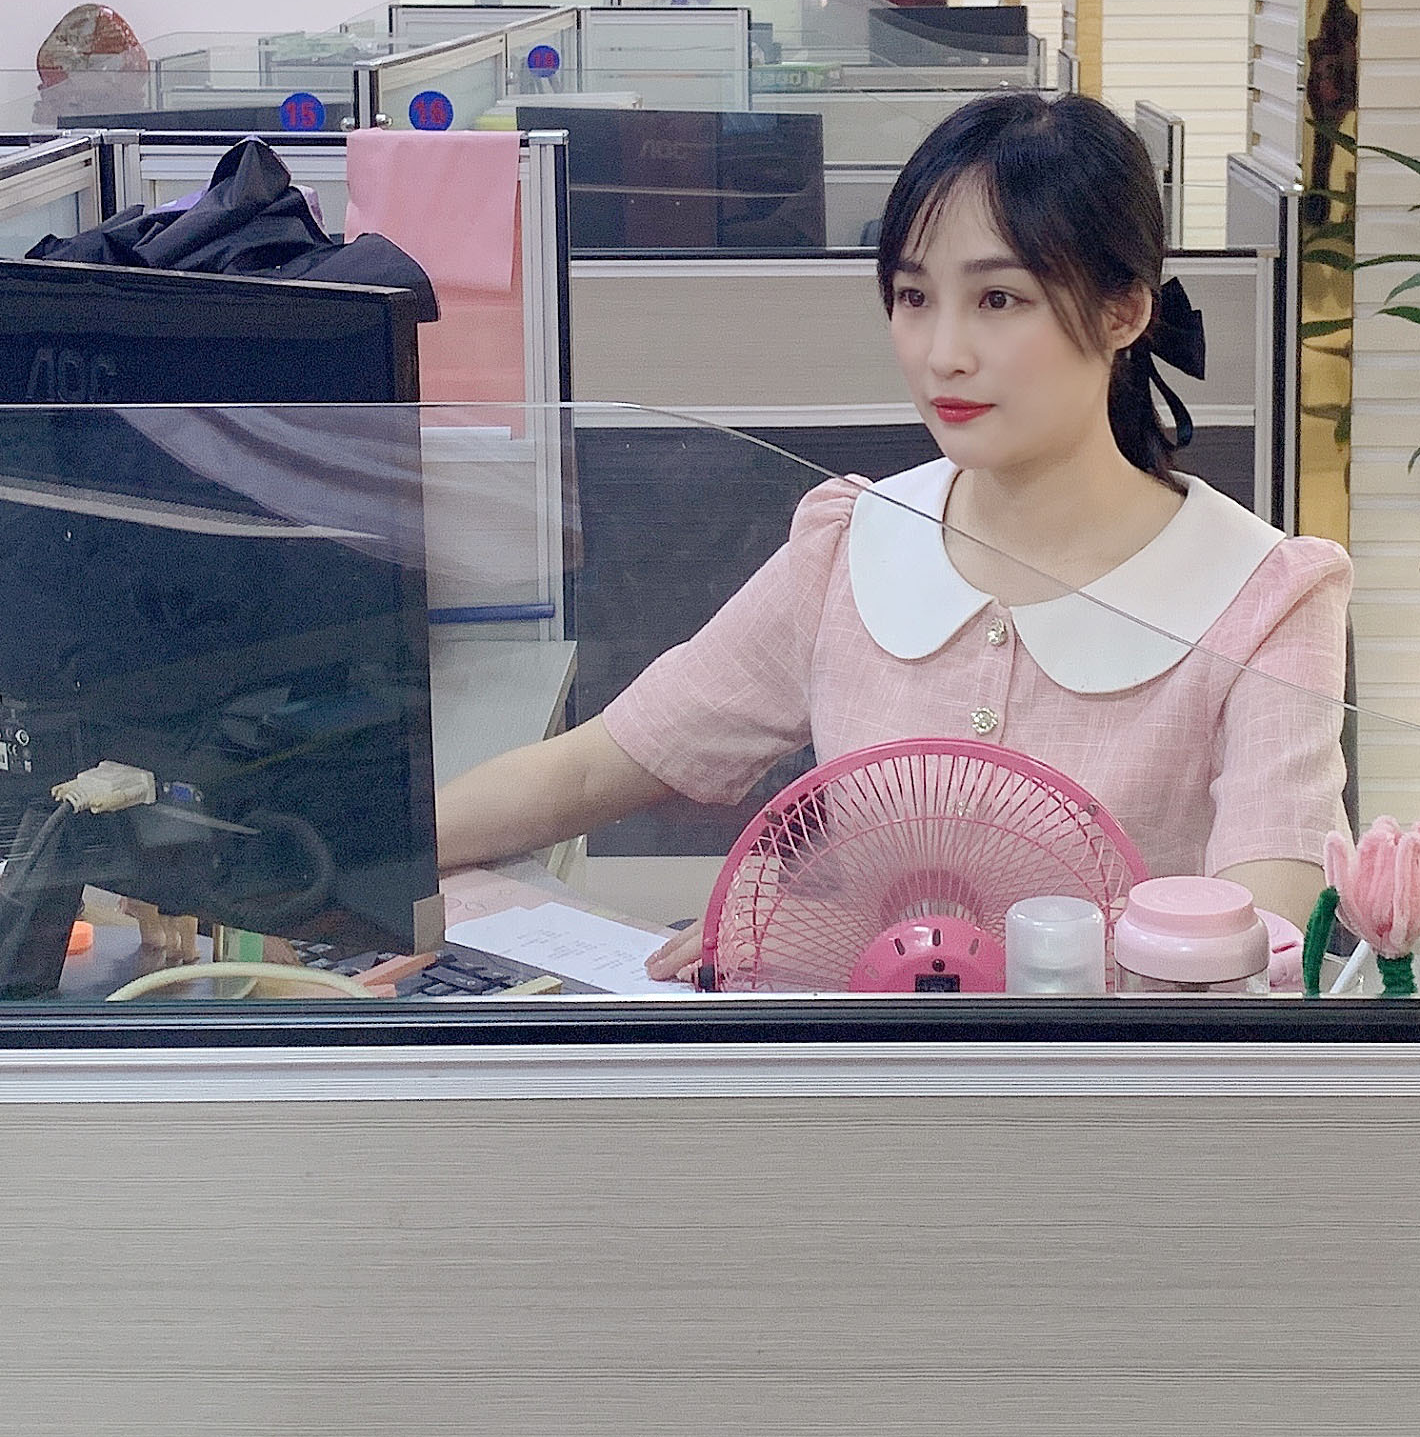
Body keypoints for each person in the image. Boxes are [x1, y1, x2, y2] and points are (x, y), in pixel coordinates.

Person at [433, 91, 1354, 961]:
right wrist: (377, 856)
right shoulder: (854, 545)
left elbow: (1266, 945)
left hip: (1120, 1078)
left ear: (1124, 311)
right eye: (914, 298)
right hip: (859, 1070)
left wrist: (834, 941)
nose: (942, 354)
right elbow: (603, 764)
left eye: (999, 299)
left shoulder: (1263, 598)